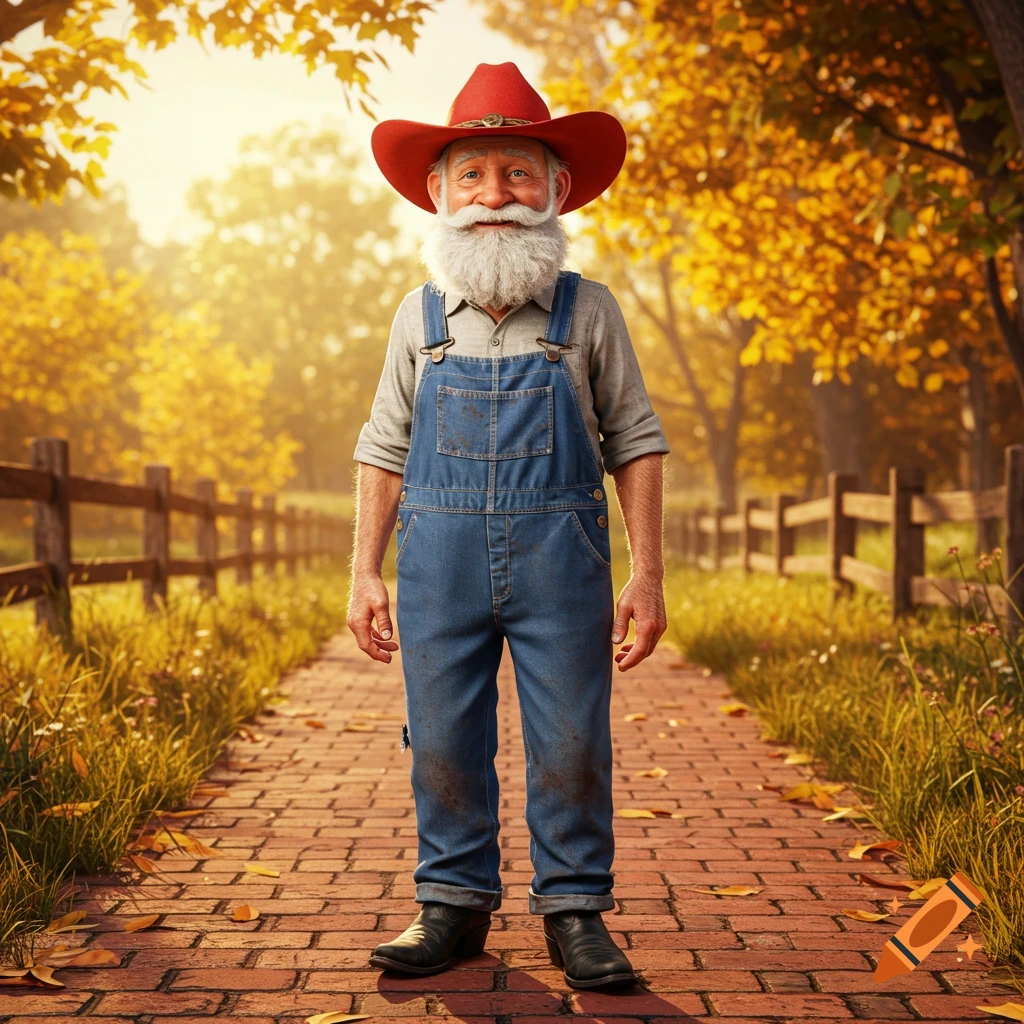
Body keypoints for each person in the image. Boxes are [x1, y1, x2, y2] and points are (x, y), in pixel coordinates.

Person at [348, 62, 670, 990]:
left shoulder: (589, 310)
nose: (496, 195)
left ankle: (576, 911)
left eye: (518, 173)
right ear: (439, 194)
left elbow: (636, 441)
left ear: (556, 189)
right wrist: (364, 572)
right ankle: (451, 906)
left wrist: (647, 575)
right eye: (474, 175)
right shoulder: (417, 318)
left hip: (560, 562)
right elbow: (383, 445)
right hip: (437, 564)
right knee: (442, 737)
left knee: (572, 738)